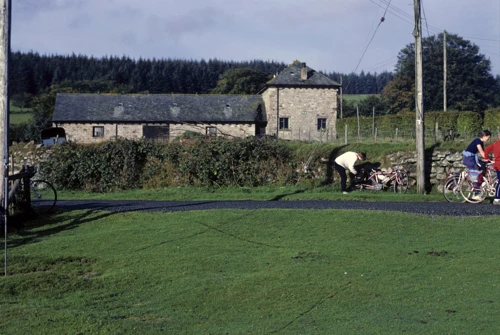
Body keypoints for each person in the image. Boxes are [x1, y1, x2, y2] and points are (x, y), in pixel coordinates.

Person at [462, 130, 491, 198]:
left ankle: (480, 184)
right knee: (476, 173)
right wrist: (487, 159)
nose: (489, 139)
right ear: (484, 136)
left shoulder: (480, 142)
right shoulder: (478, 141)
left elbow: (484, 153)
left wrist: (489, 159)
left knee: (482, 167)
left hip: (471, 158)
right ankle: (475, 194)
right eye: (488, 137)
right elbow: (481, 151)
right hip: (469, 159)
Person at [484, 132, 500, 205]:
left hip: (497, 165)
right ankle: (496, 198)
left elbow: (486, 150)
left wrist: (486, 158)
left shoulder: (495, 144)